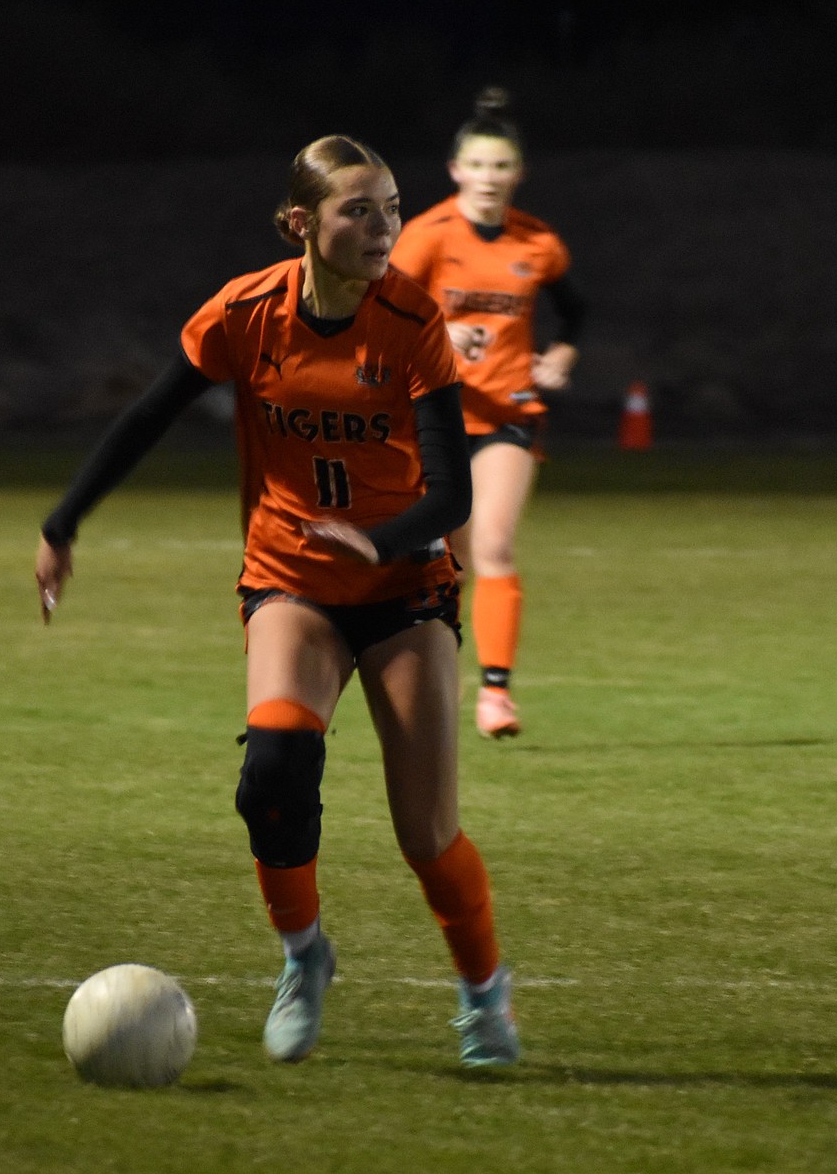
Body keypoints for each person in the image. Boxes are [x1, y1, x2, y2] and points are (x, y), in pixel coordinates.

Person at [33, 134, 519, 1069]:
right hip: (291, 577)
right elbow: (148, 416)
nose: (383, 228)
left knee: (428, 835)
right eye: (358, 211)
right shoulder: (247, 312)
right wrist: (65, 522)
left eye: (391, 207)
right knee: (274, 776)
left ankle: (484, 993)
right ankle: (304, 956)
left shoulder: (412, 320)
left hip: (406, 588)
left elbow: (453, 493)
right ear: (302, 222)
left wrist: (378, 539)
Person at [391, 87, 586, 741]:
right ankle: (424, 687)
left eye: (502, 166)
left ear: (518, 174)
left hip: (506, 413)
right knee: (447, 561)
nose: (489, 177)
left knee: (495, 546)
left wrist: (561, 351)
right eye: (477, 164)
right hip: (434, 414)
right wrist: (438, 337)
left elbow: (574, 309)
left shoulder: (538, 241)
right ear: (456, 169)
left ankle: (496, 695)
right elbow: (379, 314)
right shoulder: (426, 237)